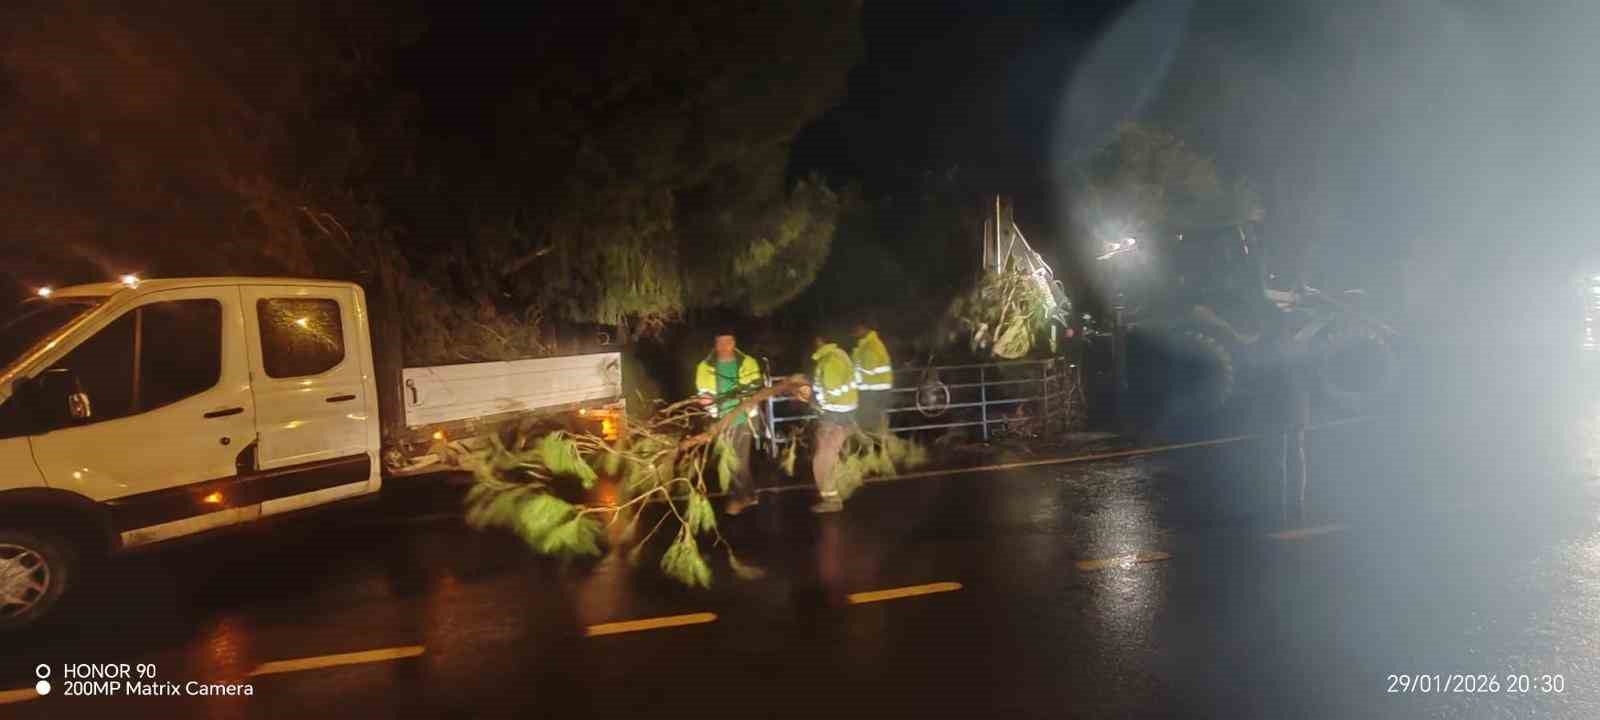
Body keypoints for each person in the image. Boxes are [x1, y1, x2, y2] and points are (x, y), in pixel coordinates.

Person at [694, 330, 764, 515]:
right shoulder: (704, 367)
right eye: (721, 342)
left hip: (744, 420)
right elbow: (703, 395)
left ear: (734, 342)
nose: (725, 346)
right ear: (715, 344)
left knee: (736, 461)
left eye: (729, 342)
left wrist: (750, 407)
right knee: (736, 461)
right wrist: (713, 412)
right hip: (721, 421)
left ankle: (739, 499)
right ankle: (749, 495)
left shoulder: (748, 362)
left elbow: (757, 389)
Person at [797, 333, 858, 514]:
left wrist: (813, 401)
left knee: (822, 459)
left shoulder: (829, 361)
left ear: (819, 341)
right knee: (830, 456)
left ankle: (831, 499)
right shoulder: (841, 355)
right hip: (844, 415)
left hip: (834, 416)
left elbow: (829, 392)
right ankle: (836, 490)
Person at [850, 317, 893, 433]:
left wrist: (852, 380)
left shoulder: (870, 346)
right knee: (872, 422)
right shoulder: (868, 344)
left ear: (865, 328)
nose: (854, 330)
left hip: (873, 391)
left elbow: (867, 370)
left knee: (870, 423)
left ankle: (877, 445)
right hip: (874, 390)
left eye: (857, 327)